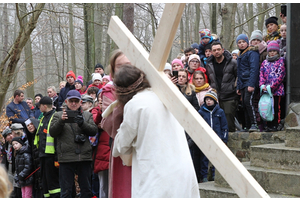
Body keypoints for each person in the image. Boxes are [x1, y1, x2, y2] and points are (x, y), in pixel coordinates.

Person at [112, 64, 200, 198]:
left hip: (157, 176)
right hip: (182, 171)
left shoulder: (135, 104)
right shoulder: (167, 95)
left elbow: (121, 145)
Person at [50, 90, 97, 198]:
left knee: (86, 190)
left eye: (76, 101)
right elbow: (52, 133)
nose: (74, 103)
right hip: (66, 157)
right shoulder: (58, 115)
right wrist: (61, 121)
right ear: (66, 101)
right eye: (71, 101)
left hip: (84, 157)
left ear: (81, 102)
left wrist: (82, 123)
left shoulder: (87, 115)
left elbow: (93, 131)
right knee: (66, 191)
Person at [100, 49, 132, 198]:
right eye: (120, 66)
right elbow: (108, 125)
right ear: (113, 70)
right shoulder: (108, 92)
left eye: (128, 64)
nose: (125, 69)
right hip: (122, 148)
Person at [205, 41, 238, 132]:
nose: (217, 52)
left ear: (223, 50)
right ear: (211, 52)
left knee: (229, 122)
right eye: (214, 50)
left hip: (230, 96)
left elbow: (238, 76)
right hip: (215, 97)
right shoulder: (209, 64)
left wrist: (235, 87)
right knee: (217, 123)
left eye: (219, 49)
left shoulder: (232, 62)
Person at [198, 89, 228, 182]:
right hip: (206, 139)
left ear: (215, 100)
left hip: (217, 139)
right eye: (207, 99)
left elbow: (224, 126)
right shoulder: (201, 112)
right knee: (204, 158)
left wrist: (224, 139)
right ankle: (204, 176)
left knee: (217, 158)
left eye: (210, 99)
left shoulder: (220, 112)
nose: (208, 101)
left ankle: (215, 175)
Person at [34, 96, 61, 198]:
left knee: (53, 183)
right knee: (45, 183)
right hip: (43, 155)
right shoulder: (44, 117)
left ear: (44, 106)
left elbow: (57, 139)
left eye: (39, 106)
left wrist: (57, 158)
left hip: (51, 156)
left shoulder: (54, 117)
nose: (38, 108)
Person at [259, 41, 286, 132]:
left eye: (274, 51)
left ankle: (275, 124)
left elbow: (280, 75)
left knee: (276, 108)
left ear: (278, 51)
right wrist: (262, 85)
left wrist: (272, 86)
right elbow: (261, 74)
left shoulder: (280, 61)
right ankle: (268, 124)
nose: (272, 53)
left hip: (276, 90)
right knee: (267, 107)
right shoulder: (265, 62)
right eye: (270, 51)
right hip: (266, 90)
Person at [236, 34, 260, 132]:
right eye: (239, 42)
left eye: (243, 42)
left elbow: (254, 69)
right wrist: (238, 86)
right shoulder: (240, 54)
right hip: (242, 83)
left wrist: (251, 84)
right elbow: (239, 72)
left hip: (249, 82)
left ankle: (254, 124)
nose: (241, 44)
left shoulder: (252, 53)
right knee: (244, 104)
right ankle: (247, 125)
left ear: (247, 42)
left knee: (248, 102)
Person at [91, 90, 110, 198]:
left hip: (113, 149)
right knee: (103, 185)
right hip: (102, 152)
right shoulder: (96, 110)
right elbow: (95, 121)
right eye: (100, 101)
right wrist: (102, 110)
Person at [249, 30, 268, 132]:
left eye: (258, 40)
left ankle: (264, 124)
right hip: (252, 82)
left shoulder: (265, 51)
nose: (256, 42)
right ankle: (257, 124)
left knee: (263, 104)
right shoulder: (248, 51)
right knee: (254, 104)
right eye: (254, 40)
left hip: (262, 82)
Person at [24, 118, 43, 198]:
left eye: (31, 124)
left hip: (42, 167)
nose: (30, 126)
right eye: (28, 125)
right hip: (36, 171)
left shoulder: (40, 135)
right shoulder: (30, 138)